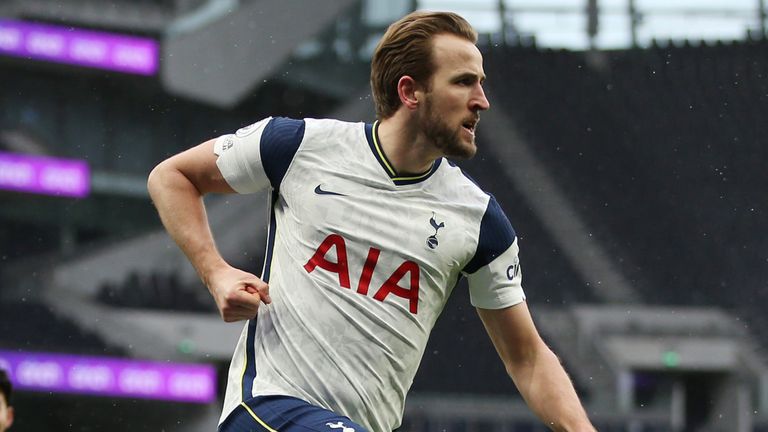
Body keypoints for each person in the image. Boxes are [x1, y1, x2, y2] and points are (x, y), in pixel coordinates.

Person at [148, 10, 596, 432]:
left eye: (481, 83)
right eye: (464, 83)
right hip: (267, 408)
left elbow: (528, 359)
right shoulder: (298, 146)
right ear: (409, 92)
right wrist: (216, 273)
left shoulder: (479, 220)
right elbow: (172, 177)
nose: (482, 101)